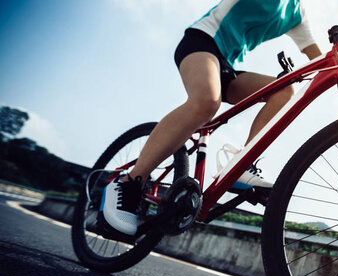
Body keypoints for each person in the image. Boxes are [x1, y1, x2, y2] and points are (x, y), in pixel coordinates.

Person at [100, 0, 322, 236]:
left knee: (284, 91)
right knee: (206, 101)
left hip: (226, 65)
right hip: (200, 42)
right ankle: (129, 183)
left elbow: (319, 60)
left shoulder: (296, 13)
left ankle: (240, 165)